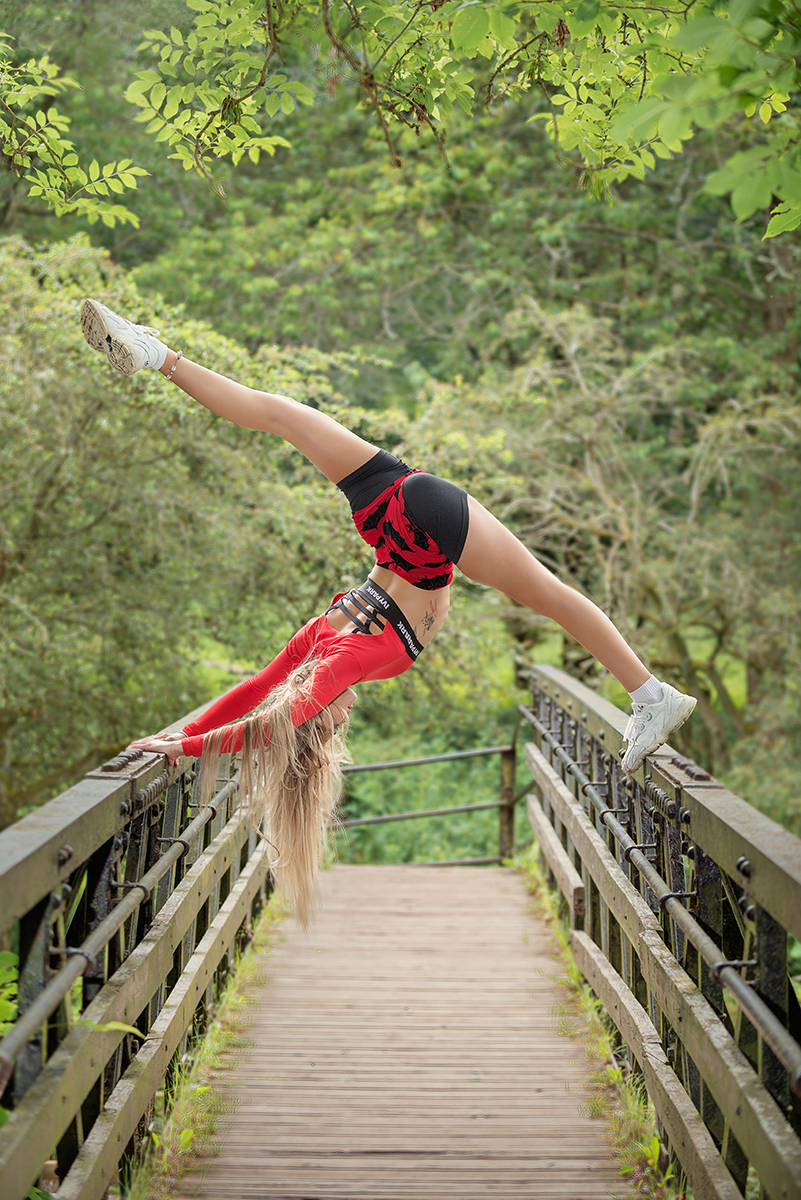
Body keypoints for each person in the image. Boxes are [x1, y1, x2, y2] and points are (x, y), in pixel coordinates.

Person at [80, 299, 697, 921]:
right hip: (389, 504)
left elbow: (268, 721)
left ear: (322, 717)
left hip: (424, 534)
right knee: (276, 415)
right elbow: (258, 692)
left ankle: (652, 695)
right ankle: (155, 353)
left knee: (550, 596)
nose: (345, 714)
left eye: (332, 718)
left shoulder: (343, 660)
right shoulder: (318, 639)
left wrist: (181, 748)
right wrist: (177, 737)